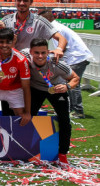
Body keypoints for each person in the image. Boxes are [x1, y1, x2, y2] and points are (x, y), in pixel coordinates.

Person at [26, 38, 80, 166]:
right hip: (36, 89)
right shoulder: (25, 58)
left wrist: (67, 86)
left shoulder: (57, 63)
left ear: (48, 52)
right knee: (29, 117)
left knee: (64, 120)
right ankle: (29, 151)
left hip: (57, 89)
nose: (40, 56)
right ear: (30, 52)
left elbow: (75, 78)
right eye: (36, 53)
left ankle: (62, 154)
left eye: (43, 53)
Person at [38, 10, 95, 118]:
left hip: (77, 58)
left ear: (47, 20)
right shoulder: (56, 27)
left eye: (41, 21)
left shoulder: (56, 29)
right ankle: (68, 108)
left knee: (73, 83)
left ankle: (78, 111)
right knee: (66, 83)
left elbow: (62, 47)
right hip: (76, 57)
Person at [0, 28, 31, 125]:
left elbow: (26, 87)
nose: (4, 45)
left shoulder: (21, 60)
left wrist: (28, 112)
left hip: (13, 89)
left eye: (8, 42)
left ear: (13, 42)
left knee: (21, 116)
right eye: (1, 42)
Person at [1, 0, 66, 54]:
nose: (21, 3)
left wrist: (59, 49)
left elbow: (62, 38)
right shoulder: (6, 20)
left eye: (25, 0)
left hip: (30, 62)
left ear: (31, 2)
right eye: (19, 0)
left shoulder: (39, 21)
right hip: (11, 61)